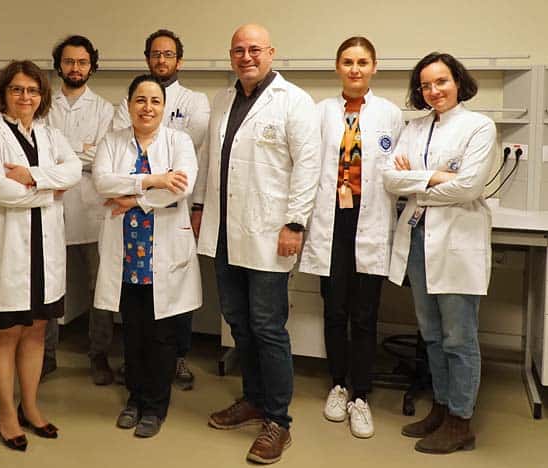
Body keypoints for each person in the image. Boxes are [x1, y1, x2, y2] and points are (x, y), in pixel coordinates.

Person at [192, 24, 320, 464]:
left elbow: (308, 167)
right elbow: (209, 159)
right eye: (238, 50)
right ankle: (253, 399)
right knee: (238, 322)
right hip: (225, 231)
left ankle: (278, 421)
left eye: (254, 49)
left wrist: (295, 223)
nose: (246, 57)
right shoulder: (223, 100)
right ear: (231, 56)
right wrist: (198, 206)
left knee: (267, 326)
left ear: (271, 52)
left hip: (269, 231)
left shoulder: (294, 101)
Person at [0, 60, 81, 451]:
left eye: (32, 90)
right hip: (4, 248)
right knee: (4, 333)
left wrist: (31, 177)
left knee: (36, 331)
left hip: (42, 250)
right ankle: (6, 413)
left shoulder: (49, 133)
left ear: (41, 96)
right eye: (17, 89)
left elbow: (74, 170)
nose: (25, 97)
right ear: (4, 94)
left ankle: (30, 406)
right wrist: (49, 190)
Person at [383, 52, 495, 454]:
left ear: (458, 82)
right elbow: (389, 178)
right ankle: (442, 407)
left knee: (458, 337)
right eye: (426, 85)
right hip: (417, 238)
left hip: (456, 240)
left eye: (441, 81)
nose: (434, 91)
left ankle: (461, 421)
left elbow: (469, 187)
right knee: (430, 334)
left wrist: (416, 183)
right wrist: (434, 176)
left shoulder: (479, 126)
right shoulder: (414, 128)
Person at [299, 36, 404, 439]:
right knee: (334, 310)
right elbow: (308, 165)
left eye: (362, 62)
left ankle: (361, 395)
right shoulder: (321, 112)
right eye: (348, 61)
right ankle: (338, 385)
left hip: (370, 219)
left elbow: (399, 168)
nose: (355, 69)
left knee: (364, 314)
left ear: (374, 66)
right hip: (332, 222)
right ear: (337, 67)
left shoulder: (390, 114)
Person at [93, 74, 202, 438]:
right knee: (133, 332)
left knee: (161, 335)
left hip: (164, 254)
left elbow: (181, 186)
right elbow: (102, 182)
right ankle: (134, 398)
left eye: (155, 101)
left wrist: (133, 200)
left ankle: (155, 406)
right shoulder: (113, 140)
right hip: (126, 254)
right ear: (128, 105)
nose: (147, 107)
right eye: (140, 100)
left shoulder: (178, 141)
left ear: (164, 107)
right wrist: (153, 181)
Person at [112, 28, 210, 390]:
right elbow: (116, 153)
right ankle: (136, 367)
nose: (161, 59)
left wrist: (139, 192)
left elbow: (185, 162)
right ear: (147, 58)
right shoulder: (127, 101)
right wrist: (156, 179)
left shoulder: (196, 101)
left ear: (179, 61)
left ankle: (177, 358)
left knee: (173, 293)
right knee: (135, 298)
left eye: (168, 54)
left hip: (172, 210)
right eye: (155, 53)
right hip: (129, 219)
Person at [44, 34, 115, 384]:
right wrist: (80, 153)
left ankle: (99, 354)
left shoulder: (105, 109)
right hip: (50, 205)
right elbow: (40, 155)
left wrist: (62, 158)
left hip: (91, 208)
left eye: (82, 62)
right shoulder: (43, 105)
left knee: (98, 285)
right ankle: (45, 354)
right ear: (59, 65)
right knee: (47, 282)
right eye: (69, 61)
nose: (75, 67)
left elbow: (103, 157)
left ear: (92, 66)